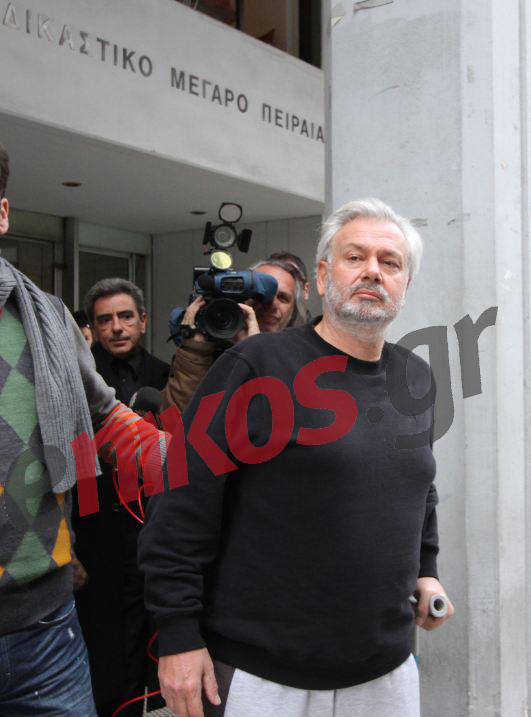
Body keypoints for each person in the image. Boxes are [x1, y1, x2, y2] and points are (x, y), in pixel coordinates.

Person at [139, 197, 455, 717]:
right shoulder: (254, 365)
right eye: (355, 257)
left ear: (405, 285)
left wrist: (427, 569)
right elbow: (182, 501)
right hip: (264, 677)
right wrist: (178, 635)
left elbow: (418, 487)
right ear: (325, 275)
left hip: (387, 673)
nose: (373, 271)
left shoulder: (416, 378)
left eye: (390, 262)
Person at [0, 143, 165, 715]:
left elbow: (104, 418)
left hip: (46, 630)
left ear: (2, 214)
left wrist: (195, 464)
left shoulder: (47, 316)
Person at [72, 279, 170, 716]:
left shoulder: (167, 374)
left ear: (143, 321)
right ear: (92, 328)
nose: (116, 327)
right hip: (96, 534)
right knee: (106, 655)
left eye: (125, 316)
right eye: (105, 320)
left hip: (153, 530)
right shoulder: (77, 380)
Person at [160, 257, 304, 413]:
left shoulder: (301, 363)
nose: (271, 304)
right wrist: (195, 350)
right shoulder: (207, 352)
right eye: (261, 295)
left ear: (293, 312)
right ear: (243, 297)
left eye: (283, 298)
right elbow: (175, 423)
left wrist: (254, 354)